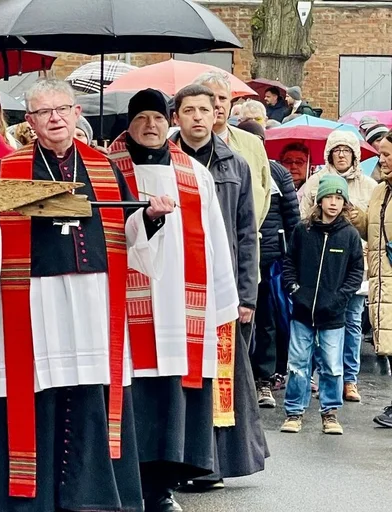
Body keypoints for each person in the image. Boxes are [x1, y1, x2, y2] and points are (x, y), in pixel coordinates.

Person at [0, 79, 143, 512]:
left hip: (93, 297)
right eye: (44, 113)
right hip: (34, 298)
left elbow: (128, 231)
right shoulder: (7, 169)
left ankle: (93, 496)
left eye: (62, 110)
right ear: (29, 122)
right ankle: (32, 499)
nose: (55, 119)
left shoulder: (103, 165)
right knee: (36, 393)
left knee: (90, 390)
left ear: (78, 113)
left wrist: (151, 216)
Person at [108, 88, 239, 512]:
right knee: (131, 399)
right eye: (142, 118)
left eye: (158, 118)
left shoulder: (195, 175)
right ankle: (126, 487)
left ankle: (161, 488)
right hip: (125, 306)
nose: (151, 126)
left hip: (182, 305)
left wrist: (225, 295)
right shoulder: (109, 170)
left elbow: (216, 237)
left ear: (170, 123)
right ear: (129, 124)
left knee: (172, 402)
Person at [168, 84, 267, 488]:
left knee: (220, 376)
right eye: (187, 110)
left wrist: (247, 295)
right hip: (176, 285)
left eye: (203, 110)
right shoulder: (165, 161)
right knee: (180, 376)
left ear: (216, 115)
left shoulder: (235, 165)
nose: (196, 117)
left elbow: (246, 234)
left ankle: (215, 463)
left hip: (221, 287)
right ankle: (177, 461)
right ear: (176, 117)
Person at [280, 175, 364, 435]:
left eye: (339, 198)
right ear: (319, 200)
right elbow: (289, 263)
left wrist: (340, 298)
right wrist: (294, 289)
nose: (334, 203)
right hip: (302, 311)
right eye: (329, 197)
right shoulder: (302, 230)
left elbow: (355, 272)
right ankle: (294, 412)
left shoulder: (349, 235)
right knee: (297, 364)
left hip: (333, 314)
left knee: (331, 365)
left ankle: (330, 412)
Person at [299, 130, 376, 402]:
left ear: (355, 154)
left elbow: (376, 227)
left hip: (356, 262)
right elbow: (302, 218)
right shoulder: (314, 182)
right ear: (329, 153)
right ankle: (314, 377)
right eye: (336, 149)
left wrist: (359, 218)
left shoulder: (368, 185)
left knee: (353, 322)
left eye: (347, 150)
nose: (341, 154)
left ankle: (349, 379)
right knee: (313, 323)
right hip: (319, 266)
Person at [238, 120, 300, 405]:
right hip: (238, 253)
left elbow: (291, 213)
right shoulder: (233, 164)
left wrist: (291, 256)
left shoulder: (277, 172)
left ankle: (264, 377)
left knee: (266, 318)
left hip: (270, 257)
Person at [194, 72, 271, 233]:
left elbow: (264, 193)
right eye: (210, 97)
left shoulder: (253, 144)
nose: (217, 104)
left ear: (230, 102)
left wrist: (248, 232)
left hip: (241, 242)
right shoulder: (180, 144)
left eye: (222, 98)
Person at [367, 133, 392, 427]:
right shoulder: (379, 191)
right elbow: (372, 226)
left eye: (386, 154)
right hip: (382, 277)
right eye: (380, 154)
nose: (381, 160)